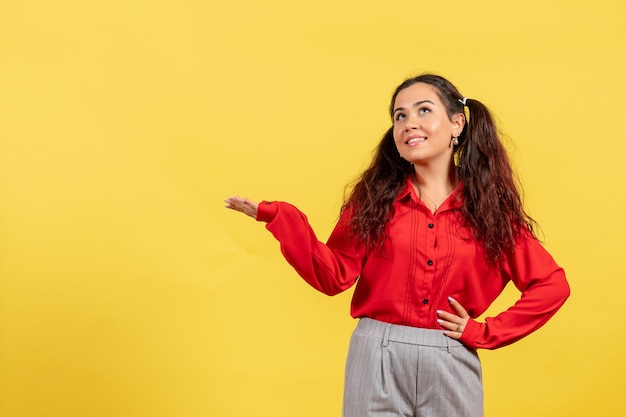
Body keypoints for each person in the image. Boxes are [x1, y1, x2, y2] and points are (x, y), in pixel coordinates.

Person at [224, 73, 570, 417]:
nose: (408, 123)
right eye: (399, 116)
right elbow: (333, 276)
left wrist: (485, 331)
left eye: (423, 111)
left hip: (451, 355)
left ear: (456, 124)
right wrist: (280, 218)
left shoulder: (490, 212)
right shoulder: (375, 200)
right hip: (376, 354)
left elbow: (551, 285)